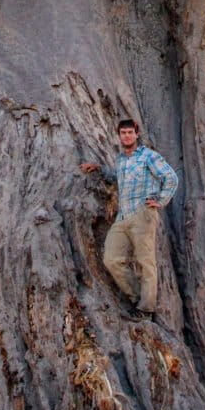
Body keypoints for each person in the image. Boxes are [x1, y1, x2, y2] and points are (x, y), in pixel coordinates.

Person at [80, 119, 178, 321]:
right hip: (123, 215)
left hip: (143, 213)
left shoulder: (148, 156)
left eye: (130, 132)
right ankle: (136, 298)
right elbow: (117, 179)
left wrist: (160, 200)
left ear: (136, 134)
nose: (126, 136)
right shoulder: (121, 160)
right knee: (112, 259)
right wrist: (99, 168)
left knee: (145, 261)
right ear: (119, 135)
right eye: (123, 132)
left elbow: (171, 177)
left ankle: (146, 308)